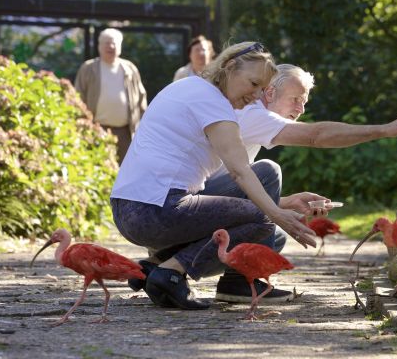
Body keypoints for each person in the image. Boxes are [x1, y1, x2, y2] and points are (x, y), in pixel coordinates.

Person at [110, 41, 320, 310]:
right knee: (263, 220)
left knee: (269, 225)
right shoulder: (213, 101)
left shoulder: (187, 87)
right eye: (254, 84)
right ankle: (172, 272)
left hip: (127, 209)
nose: (256, 96)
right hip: (156, 211)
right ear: (230, 67)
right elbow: (240, 172)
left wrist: (284, 205)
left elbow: (229, 194)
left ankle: (159, 264)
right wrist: (385, 130)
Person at [203, 63, 397, 303]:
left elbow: (235, 193)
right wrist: (385, 129)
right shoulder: (253, 114)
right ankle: (236, 282)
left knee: (275, 236)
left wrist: (289, 202)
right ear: (269, 93)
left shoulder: (250, 116)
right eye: (295, 99)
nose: (300, 109)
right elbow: (316, 136)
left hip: (199, 202)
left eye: (305, 102)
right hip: (187, 205)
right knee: (269, 171)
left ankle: (227, 279)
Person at [74, 28, 147, 164]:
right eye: (106, 43)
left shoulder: (129, 68)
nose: (111, 46)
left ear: (119, 46)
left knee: (124, 172)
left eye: (114, 43)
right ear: (99, 46)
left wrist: (142, 125)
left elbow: (141, 99)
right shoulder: (88, 68)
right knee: (98, 167)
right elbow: (77, 97)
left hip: (125, 132)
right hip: (97, 130)